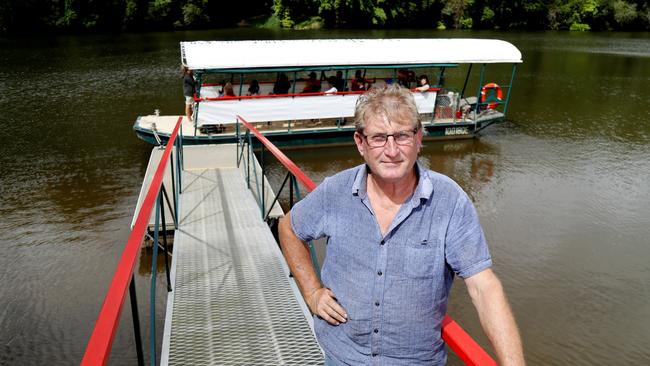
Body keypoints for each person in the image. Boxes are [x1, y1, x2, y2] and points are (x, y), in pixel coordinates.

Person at [279, 84, 524, 366]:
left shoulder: (449, 201)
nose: (392, 150)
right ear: (360, 143)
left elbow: (484, 287)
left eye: (402, 136)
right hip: (342, 356)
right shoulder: (335, 192)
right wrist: (312, 292)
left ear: (419, 138)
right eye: (379, 138)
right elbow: (289, 228)